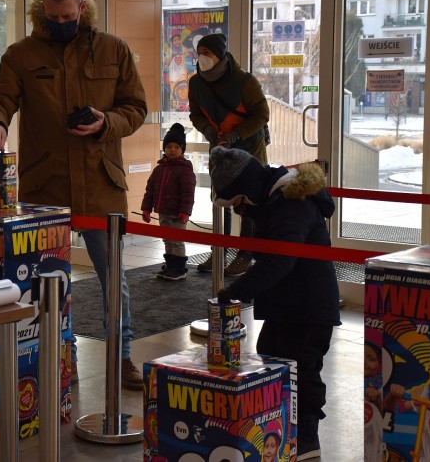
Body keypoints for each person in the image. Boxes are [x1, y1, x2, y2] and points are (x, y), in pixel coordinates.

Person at [0, 0, 148, 389]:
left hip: (101, 184)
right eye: (53, 17)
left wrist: (106, 122)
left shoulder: (114, 49)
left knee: (114, 279)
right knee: (43, 281)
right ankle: (52, 356)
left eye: (67, 16)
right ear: (43, 12)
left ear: (81, 8)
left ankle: (121, 355)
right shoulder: (22, 54)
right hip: (45, 187)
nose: (61, 23)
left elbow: (136, 107)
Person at [209, 146, 340, 461]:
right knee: (271, 360)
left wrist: (236, 291)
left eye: (238, 203)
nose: (240, 211)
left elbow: (279, 261)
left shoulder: (293, 204)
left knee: (303, 369)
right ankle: (280, 429)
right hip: (287, 303)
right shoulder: (272, 202)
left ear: (250, 189)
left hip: (309, 307)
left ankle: (307, 437)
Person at [188, 33, 269, 276]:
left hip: (250, 146)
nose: (202, 58)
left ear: (220, 55)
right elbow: (195, 114)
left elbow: (262, 114)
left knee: (250, 201)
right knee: (220, 198)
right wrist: (209, 130)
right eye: (199, 53)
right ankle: (219, 251)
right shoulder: (196, 83)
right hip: (219, 147)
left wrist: (235, 135)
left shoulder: (244, 81)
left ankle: (245, 255)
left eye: (207, 53)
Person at [141, 123, 196, 281]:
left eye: (176, 147)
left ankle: (179, 268)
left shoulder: (185, 170)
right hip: (163, 212)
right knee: (167, 240)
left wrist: (185, 212)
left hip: (177, 214)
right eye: (169, 146)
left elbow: (188, 194)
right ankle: (171, 265)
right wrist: (146, 209)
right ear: (164, 148)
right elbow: (150, 191)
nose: (172, 150)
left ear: (182, 149)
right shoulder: (159, 169)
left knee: (177, 241)